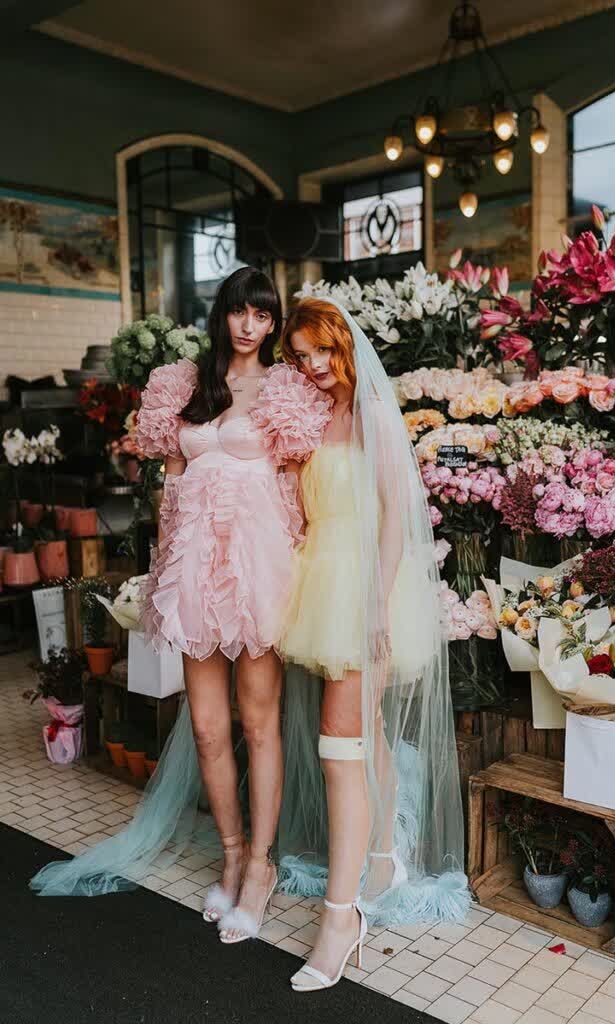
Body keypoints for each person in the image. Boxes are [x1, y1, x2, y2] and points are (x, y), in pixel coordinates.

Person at [30, 269, 330, 950]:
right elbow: (170, 485)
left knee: (259, 724)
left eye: (262, 314)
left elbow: (296, 487)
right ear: (220, 315)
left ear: (273, 321)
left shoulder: (288, 389)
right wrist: (165, 570)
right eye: (239, 312)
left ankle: (259, 865)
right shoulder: (181, 384)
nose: (250, 325)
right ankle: (230, 850)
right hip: (195, 567)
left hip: (259, 569)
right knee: (203, 728)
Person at [274, 297, 470, 993]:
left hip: (366, 587)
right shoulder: (305, 417)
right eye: (298, 355)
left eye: (321, 350)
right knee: (365, 733)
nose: (313, 366)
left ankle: (340, 916)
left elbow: (394, 516)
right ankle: (385, 853)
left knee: (339, 742)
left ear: (344, 346)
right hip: (317, 577)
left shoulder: (374, 416)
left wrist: (377, 602)